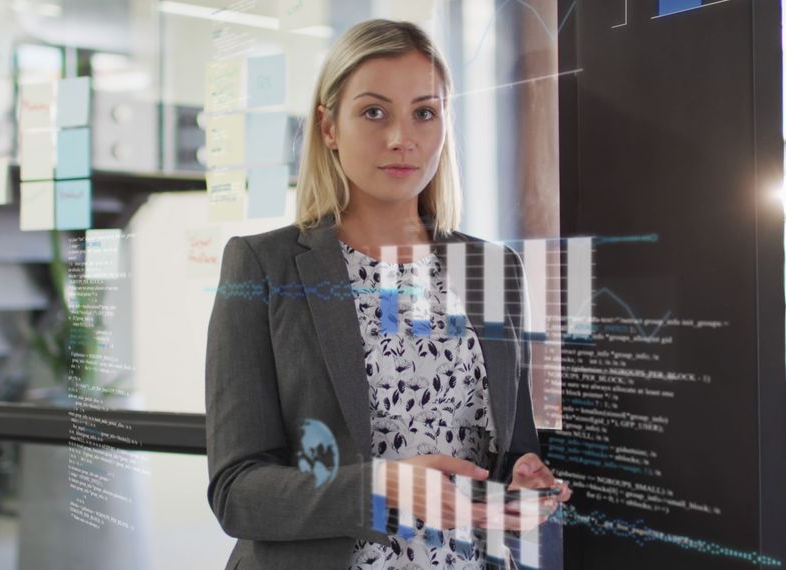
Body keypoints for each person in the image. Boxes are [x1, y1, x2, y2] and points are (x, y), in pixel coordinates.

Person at [205, 19, 570, 570]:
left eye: (425, 112)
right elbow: (237, 491)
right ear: (328, 127)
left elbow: (508, 449)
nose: (403, 137)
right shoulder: (263, 265)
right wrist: (384, 488)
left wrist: (520, 479)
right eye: (374, 112)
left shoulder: (492, 268)